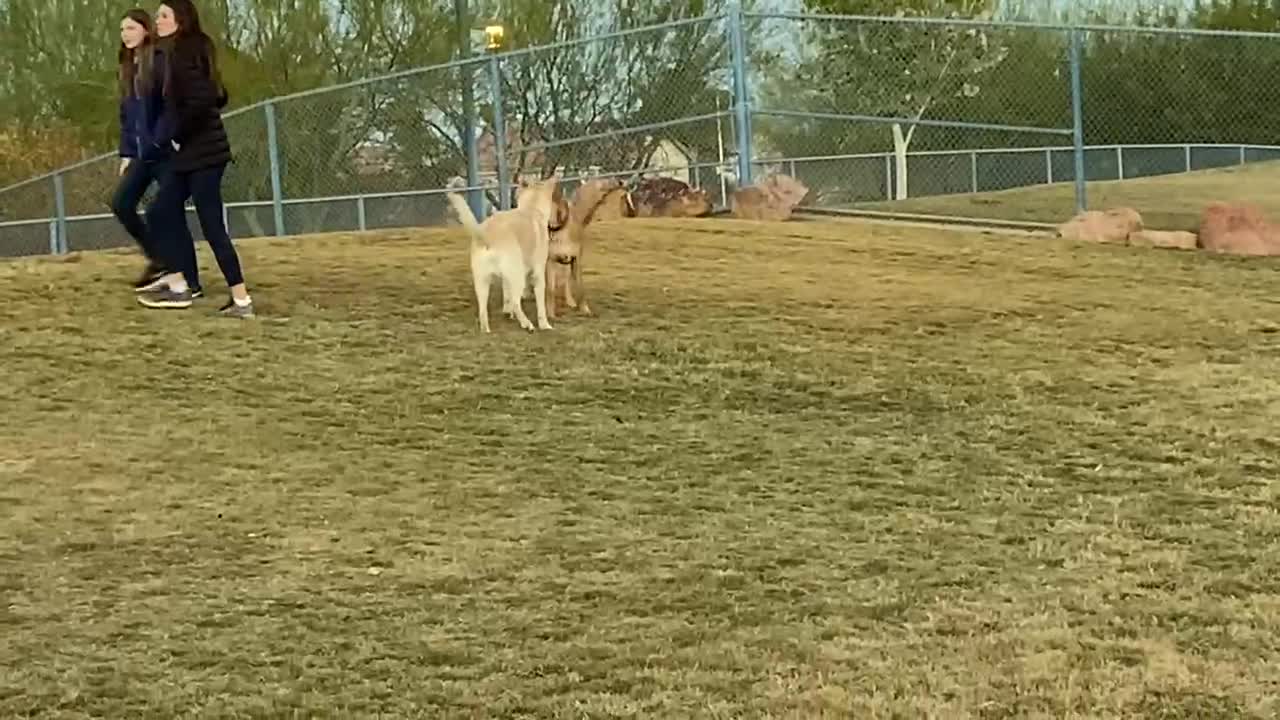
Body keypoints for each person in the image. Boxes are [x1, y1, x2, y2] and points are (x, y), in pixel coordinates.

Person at [136, 0, 253, 317]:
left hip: (204, 154)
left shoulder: (184, 54)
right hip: (190, 153)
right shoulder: (182, 52)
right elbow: (217, 94)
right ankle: (178, 284)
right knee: (160, 210)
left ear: (180, 21)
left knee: (212, 226)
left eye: (163, 16)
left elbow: (203, 101)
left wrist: (175, 135)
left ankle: (241, 300)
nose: (157, 21)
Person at [110, 8, 201, 296]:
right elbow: (127, 116)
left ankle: (191, 281)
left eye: (131, 29)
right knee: (122, 203)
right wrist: (127, 152)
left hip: (166, 153)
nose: (126, 35)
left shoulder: (159, 61)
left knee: (169, 213)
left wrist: (164, 138)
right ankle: (159, 260)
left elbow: (169, 107)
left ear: (146, 31)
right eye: (123, 30)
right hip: (143, 154)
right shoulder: (127, 66)